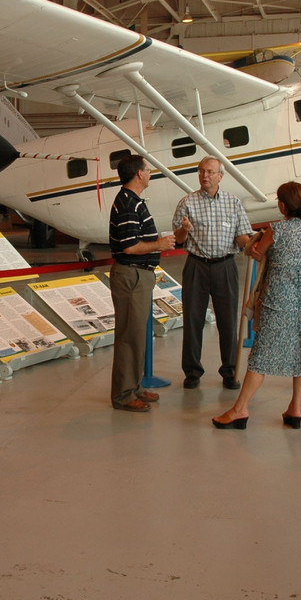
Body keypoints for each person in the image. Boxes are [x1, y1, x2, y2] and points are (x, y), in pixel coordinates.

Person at [211, 182, 301, 430]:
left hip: (278, 299)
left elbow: (257, 253)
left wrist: (259, 242)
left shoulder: (276, 229)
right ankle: (295, 408)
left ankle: (240, 409)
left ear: (282, 205)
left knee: (261, 356)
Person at [172, 156, 252, 390]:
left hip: (225, 266)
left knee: (228, 321)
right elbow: (178, 239)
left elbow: (242, 235)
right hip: (196, 266)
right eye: (201, 171)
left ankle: (230, 371)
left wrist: (254, 244)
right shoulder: (187, 202)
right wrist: (184, 230)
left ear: (220, 176)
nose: (204, 176)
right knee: (193, 320)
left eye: (209, 172)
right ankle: (192, 372)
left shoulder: (233, 202)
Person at [109, 154, 176, 412]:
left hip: (138, 275)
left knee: (137, 335)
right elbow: (129, 246)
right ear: (139, 174)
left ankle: (134, 387)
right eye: (147, 169)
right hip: (131, 275)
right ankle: (124, 395)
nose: (149, 173)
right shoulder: (128, 204)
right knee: (129, 337)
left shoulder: (133, 201)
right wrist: (159, 244)